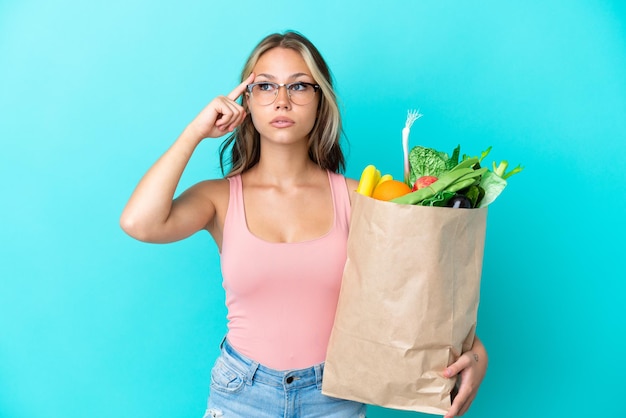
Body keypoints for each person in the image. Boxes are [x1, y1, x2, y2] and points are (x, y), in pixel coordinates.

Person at [120, 31, 487, 418]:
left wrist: (476, 352)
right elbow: (139, 223)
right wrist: (195, 132)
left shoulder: (358, 195)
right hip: (241, 393)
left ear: (320, 101)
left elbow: (415, 294)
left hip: (333, 396)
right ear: (245, 100)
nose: (281, 100)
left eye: (298, 86)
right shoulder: (219, 198)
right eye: (265, 86)